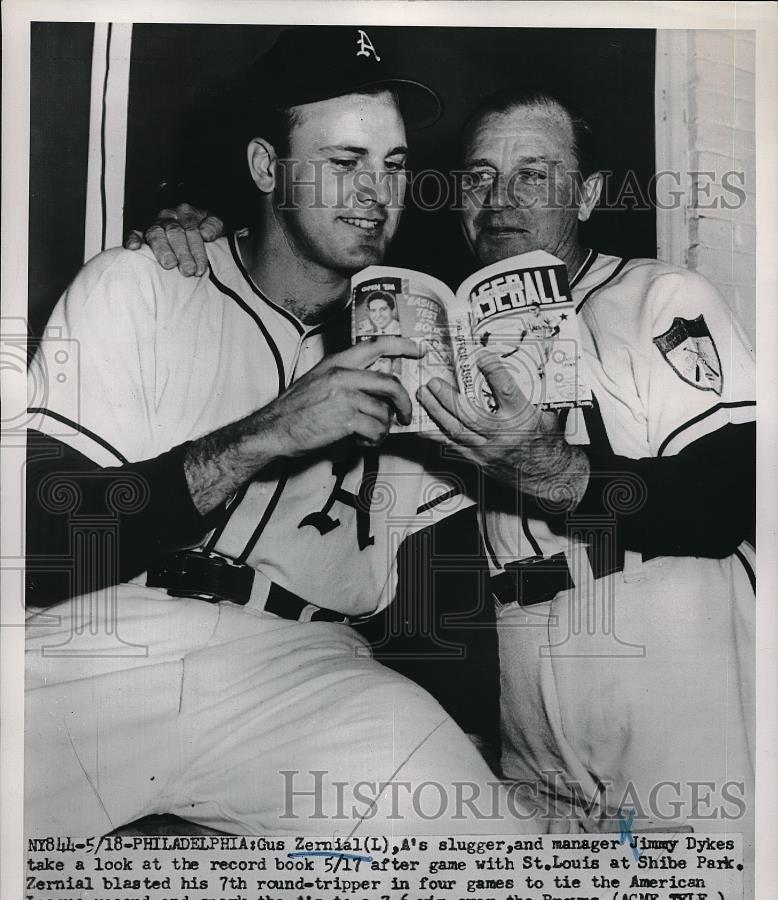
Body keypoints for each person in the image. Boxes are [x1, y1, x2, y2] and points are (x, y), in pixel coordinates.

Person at [149, 87, 755, 834]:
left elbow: (739, 492)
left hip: (665, 646)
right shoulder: (443, 343)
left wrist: (555, 472)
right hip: (528, 679)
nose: (500, 199)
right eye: (478, 177)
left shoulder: (656, 294)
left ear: (589, 194)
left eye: (534, 174)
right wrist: (202, 238)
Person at [25, 28, 545, 837]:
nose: (377, 192)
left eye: (395, 165)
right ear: (268, 169)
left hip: (306, 668)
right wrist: (266, 433)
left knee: (483, 844)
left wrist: (473, 747)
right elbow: (48, 546)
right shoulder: (144, 287)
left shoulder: (425, 345)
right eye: (344, 163)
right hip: (109, 639)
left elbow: (441, 615)